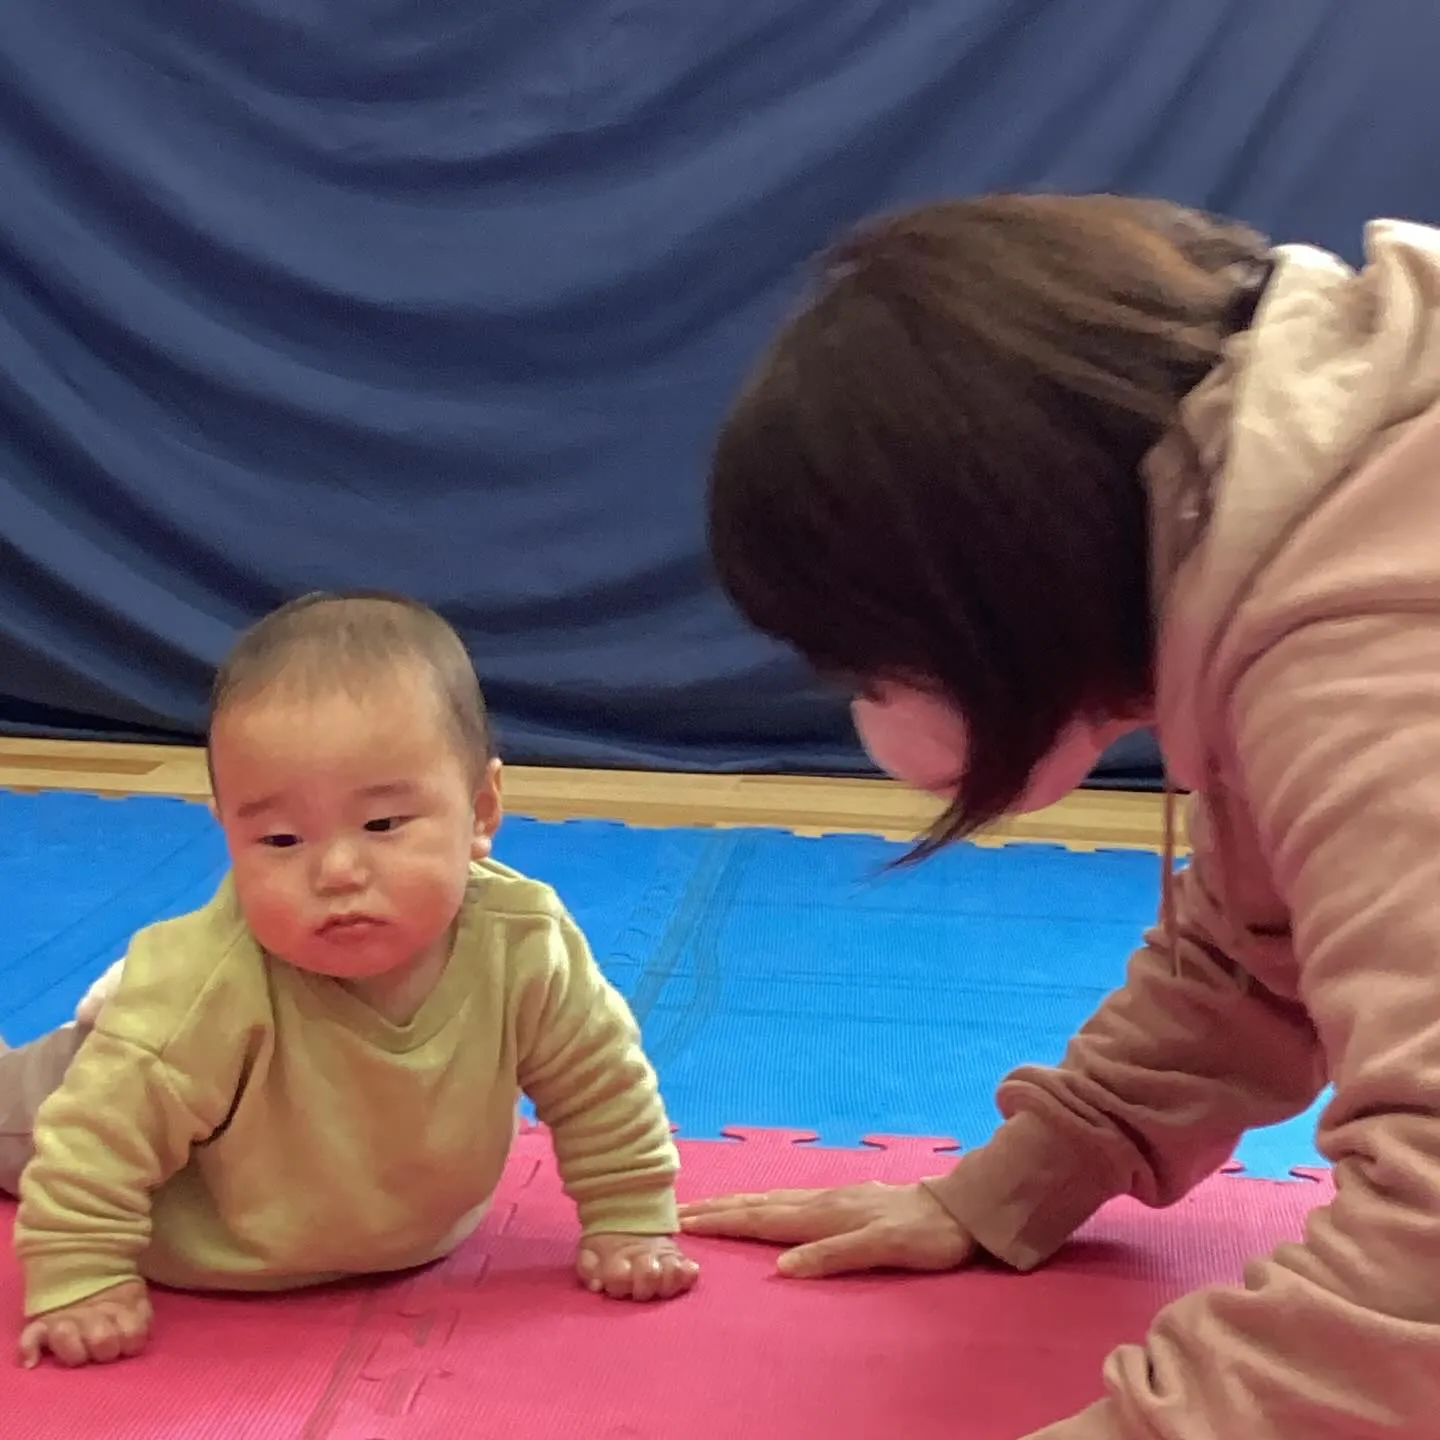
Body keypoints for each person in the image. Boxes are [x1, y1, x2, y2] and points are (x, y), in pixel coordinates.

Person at [681, 193, 1440, 1437]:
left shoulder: (1365, 635)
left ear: (986, 585)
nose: (874, 721)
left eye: (874, 670)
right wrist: (1018, 1182)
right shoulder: (1285, 491)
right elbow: (1255, 955)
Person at [5, 591, 697, 1371]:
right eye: (280, 838)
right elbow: (93, 1142)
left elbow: (601, 1081)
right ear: (228, 832)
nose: (336, 870)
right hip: (120, 1100)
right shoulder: (205, 988)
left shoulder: (523, 943)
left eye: (382, 825)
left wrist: (631, 1217)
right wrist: (79, 1280)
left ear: (480, 810)